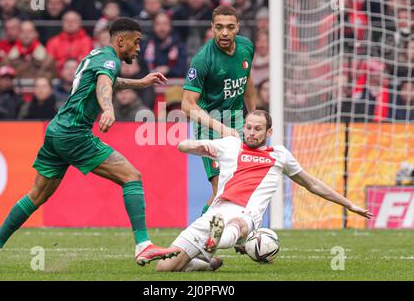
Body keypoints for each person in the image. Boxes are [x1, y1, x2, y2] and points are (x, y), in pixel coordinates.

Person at [0, 18, 180, 272]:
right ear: (121, 40)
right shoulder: (110, 61)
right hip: (74, 132)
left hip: (56, 130)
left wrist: (140, 83)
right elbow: (105, 84)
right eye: (136, 42)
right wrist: (108, 109)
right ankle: (143, 245)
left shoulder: (97, 56)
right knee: (131, 176)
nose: (138, 48)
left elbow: (106, 80)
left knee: (36, 195)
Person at [156, 110, 373, 272]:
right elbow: (182, 146)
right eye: (248, 127)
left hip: (245, 214)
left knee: (238, 226)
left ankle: (218, 239)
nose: (251, 132)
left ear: (269, 132)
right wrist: (204, 145)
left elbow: (312, 184)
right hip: (215, 212)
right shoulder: (230, 145)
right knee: (164, 269)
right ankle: (205, 264)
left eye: (257, 129)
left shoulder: (279, 155)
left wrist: (348, 204)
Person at [181, 5, 257, 215]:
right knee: (220, 189)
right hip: (210, 126)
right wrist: (221, 129)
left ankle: (236, 234)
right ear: (212, 28)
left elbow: (247, 81)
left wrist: (253, 117)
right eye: (219, 27)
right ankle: (199, 237)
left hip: (238, 123)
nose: (224, 33)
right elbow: (187, 105)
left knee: (240, 187)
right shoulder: (203, 59)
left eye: (230, 27)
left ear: (238, 28)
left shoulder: (246, 47)